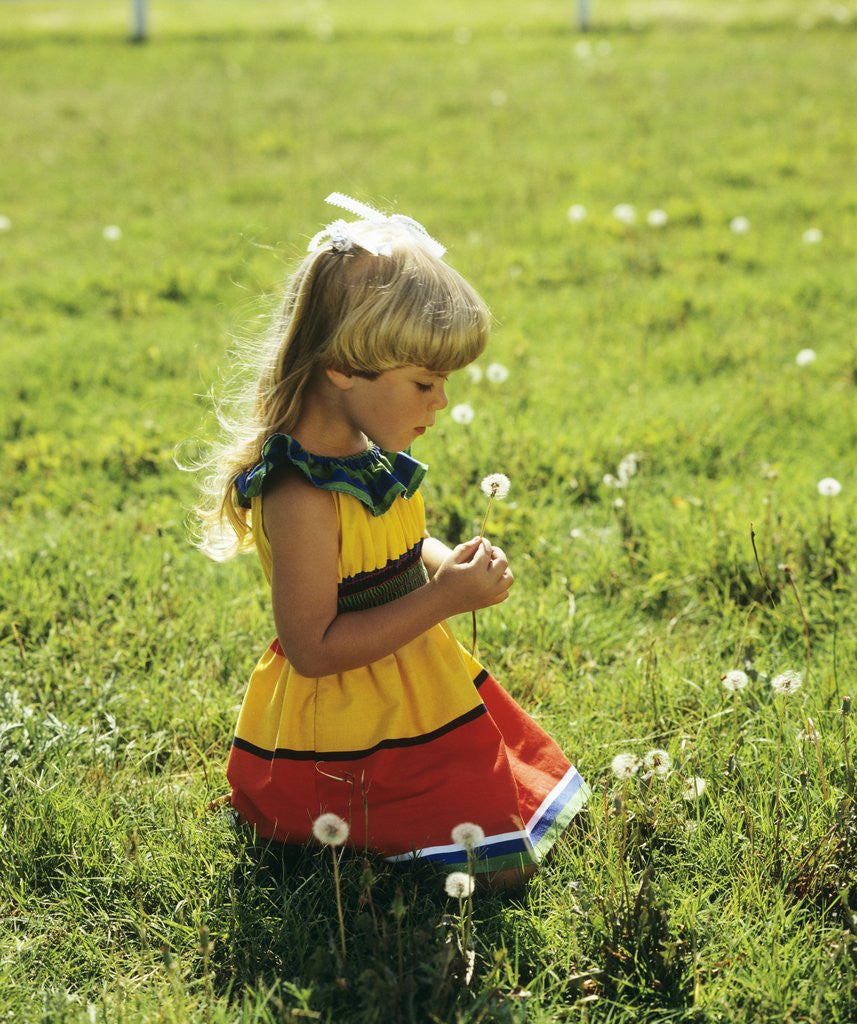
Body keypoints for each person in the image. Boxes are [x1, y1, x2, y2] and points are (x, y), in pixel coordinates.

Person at [196, 193, 589, 886]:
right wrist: (441, 600)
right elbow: (314, 649)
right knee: (489, 859)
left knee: (515, 801)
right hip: (346, 730)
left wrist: (447, 562)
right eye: (424, 383)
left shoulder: (362, 451)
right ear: (342, 367)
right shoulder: (300, 495)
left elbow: (393, 551)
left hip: (414, 686)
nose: (440, 403)